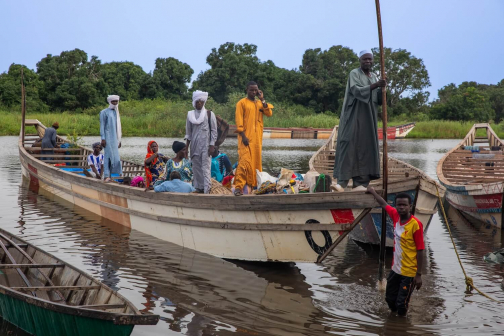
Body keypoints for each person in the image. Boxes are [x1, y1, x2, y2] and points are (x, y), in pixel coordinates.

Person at [333, 50, 386, 191]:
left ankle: (360, 183)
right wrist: (376, 85)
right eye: (365, 59)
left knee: (366, 147)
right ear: (360, 60)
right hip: (353, 115)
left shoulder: (375, 76)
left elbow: (379, 100)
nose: (367, 62)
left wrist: (383, 89)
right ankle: (342, 182)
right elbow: (356, 90)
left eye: (370, 59)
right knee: (348, 144)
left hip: (369, 119)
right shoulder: (354, 74)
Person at [367, 186, 424, 316]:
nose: (401, 207)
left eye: (404, 205)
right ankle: (393, 323)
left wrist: (418, 274)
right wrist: (372, 191)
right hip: (395, 269)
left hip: (409, 272)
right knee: (389, 298)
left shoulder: (415, 224)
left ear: (410, 206)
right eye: (399, 205)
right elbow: (383, 203)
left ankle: (401, 324)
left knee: (401, 304)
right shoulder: (395, 216)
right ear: (396, 206)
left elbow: (420, 250)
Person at [233, 81, 273, 196]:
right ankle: (238, 188)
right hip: (245, 139)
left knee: (255, 163)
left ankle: (254, 186)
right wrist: (243, 136)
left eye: (256, 90)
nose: (254, 92)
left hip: (257, 141)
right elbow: (239, 122)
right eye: (251, 90)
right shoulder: (241, 103)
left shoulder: (259, 104)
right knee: (244, 163)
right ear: (247, 90)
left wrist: (262, 99)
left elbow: (269, 113)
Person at [185, 90, 217, 194]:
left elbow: (213, 131)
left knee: (206, 168)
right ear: (194, 102)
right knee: (196, 167)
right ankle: (199, 188)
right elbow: (188, 133)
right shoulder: (190, 115)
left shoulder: (209, 114)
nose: (199, 103)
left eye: (201, 102)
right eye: (197, 101)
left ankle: (207, 190)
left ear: (204, 102)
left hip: (206, 146)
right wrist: (186, 148)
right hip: (194, 146)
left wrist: (212, 145)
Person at [100, 95, 123, 182]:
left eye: (116, 101)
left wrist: (119, 140)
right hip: (107, 137)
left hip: (115, 139)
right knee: (108, 156)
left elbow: (118, 128)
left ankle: (112, 175)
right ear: (109, 102)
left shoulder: (116, 112)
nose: (115, 103)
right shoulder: (104, 112)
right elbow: (102, 126)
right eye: (113, 101)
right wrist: (103, 138)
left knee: (116, 158)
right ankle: (106, 176)